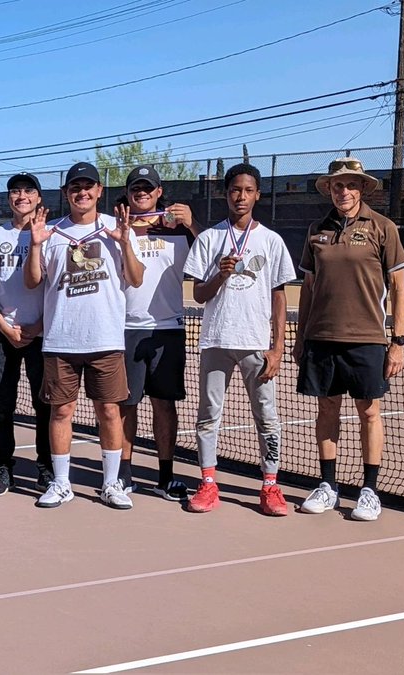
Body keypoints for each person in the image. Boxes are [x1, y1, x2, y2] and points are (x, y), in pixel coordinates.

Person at [24, 162, 144, 510]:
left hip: (105, 339)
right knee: (60, 413)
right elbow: (33, 281)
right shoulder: (51, 232)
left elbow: (135, 279)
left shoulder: (117, 229)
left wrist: (125, 244)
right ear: (66, 193)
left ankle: (111, 483)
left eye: (88, 186)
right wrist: (34, 245)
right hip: (60, 339)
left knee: (109, 411)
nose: (82, 193)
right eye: (75, 187)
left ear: (99, 190)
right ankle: (61, 483)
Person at [294, 158, 404, 521]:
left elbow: (398, 288)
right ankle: (328, 486)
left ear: (362, 189)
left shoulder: (383, 228)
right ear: (329, 189)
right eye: (337, 185)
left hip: (367, 339)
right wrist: (300, 337)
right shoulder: (317, 230)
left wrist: (398, 341)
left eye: (351, 185)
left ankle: (369, 491)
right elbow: (309, 288)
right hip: (322, 337)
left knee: (369, 412)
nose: (344, 191)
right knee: (326, 409)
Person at [182, 163, 296, 516]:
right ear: (226, 194)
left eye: (248, 190)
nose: (241, 196)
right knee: (208, 415)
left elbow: (279, 297)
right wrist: (220, 274)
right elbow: (199, 295)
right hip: (216, 340)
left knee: (267, 416)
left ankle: (270, 486)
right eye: (235, 190)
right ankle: (208, 483)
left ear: (257, 194)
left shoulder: (272, 241)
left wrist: (277, 347)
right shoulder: (209, 239)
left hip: (256, 344)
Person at [115, 166, 199, 501]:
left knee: (165, 406)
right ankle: (123, 475)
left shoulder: (180, 228)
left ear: (159, 192)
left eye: (148, 188)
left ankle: (166, 478)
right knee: (126, 405)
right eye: (136, 188)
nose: (142, 193)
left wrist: (192, 222)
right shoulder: (116, 229)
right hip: (124, 329)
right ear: (129, 192)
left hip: (168, 331)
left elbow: (215, 251)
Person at [0, 173, 51, 496]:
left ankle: (46, 468)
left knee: (44, 404)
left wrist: (41, 325)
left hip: (43, 335)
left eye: (28, 191)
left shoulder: (52, 234)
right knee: (2, 405)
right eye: (15, 192)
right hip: (1, 334)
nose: (22, 196)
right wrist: (4, 325)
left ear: (38, 198)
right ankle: (3, 468)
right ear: (9, 199)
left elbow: (58, 286)